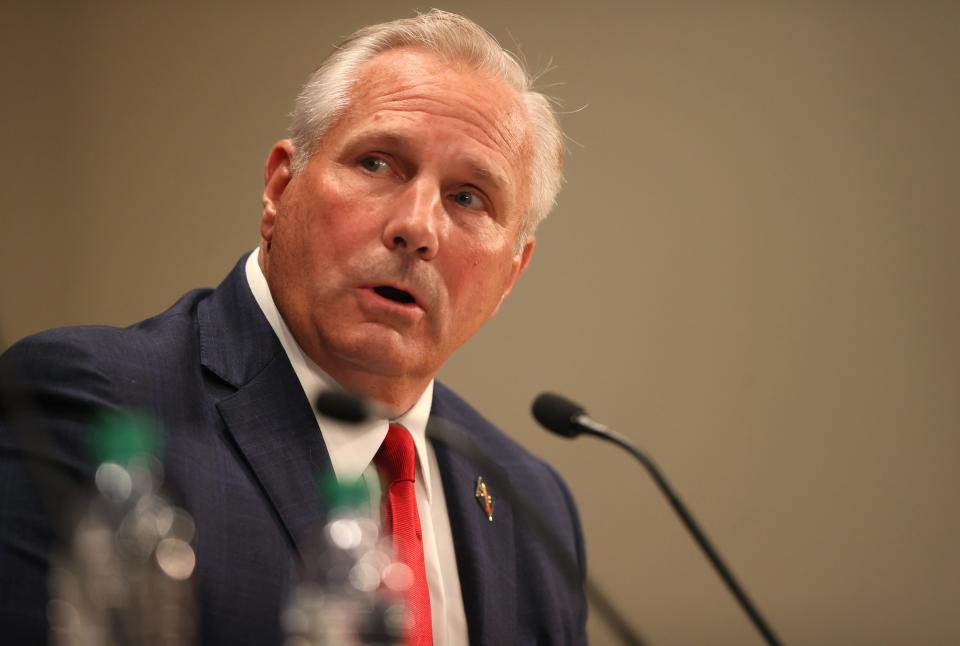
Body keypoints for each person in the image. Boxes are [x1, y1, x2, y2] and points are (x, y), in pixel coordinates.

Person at [0, 10, 586, 645]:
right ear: (280, 188)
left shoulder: (534, 506)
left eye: (469, 197)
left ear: (511, 275)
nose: (417, 227)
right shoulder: (89, 401)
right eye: (378, 164)